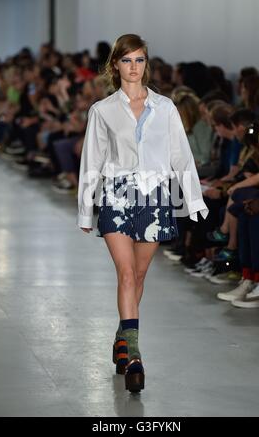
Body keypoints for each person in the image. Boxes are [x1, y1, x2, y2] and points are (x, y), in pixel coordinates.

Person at [76, 34, 208, 393]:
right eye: (127, 60)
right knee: (126, 274)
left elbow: (181, 155)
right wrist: (87, 209)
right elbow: (93, 160)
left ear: (146, 64)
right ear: (115, 65)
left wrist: (193, 200)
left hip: (155, 197)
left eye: (140, 60)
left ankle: (122, 337)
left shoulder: (165, 107)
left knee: (140, 274)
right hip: (117, 195)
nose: (134, 67)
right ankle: (134, 355)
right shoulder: (102, 110)